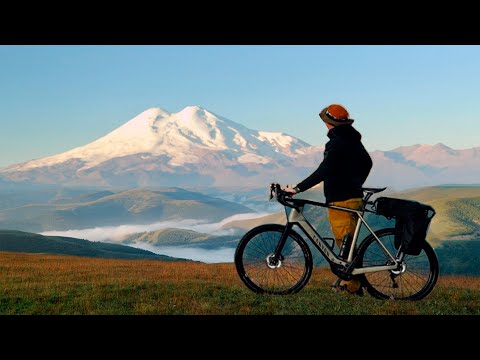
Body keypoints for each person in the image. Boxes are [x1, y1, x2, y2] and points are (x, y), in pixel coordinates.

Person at [284, 104, 373, 296]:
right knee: (347, 243)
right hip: (351, 196)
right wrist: (356, 182)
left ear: (328, 123)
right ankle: (348, 279)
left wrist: (298, 188)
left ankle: (352, 285)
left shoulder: (337, 142)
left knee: (345, 242)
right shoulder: (352, 139)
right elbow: (368, 162)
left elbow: (325, 170)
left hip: (342, 199)